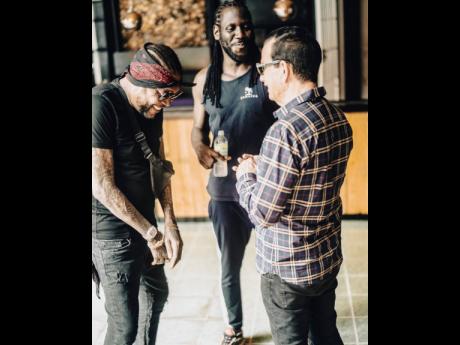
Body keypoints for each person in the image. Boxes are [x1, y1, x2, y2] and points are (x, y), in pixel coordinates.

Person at [233, 26, 354, 345]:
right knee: (326, 335)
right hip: (324, 260)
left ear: (283, 69)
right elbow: (311, 182)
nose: (261, 78)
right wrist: (268, 166)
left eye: (263, 68)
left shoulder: (284, 131)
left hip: (287, 269)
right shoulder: (337, 117)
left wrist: (247, 173)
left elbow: (262, 213)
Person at [191, 1, 278, 343]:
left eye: (245, 26)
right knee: (229, 266)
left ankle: (287, 322)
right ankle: (234, 328)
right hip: (225, 193)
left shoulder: (265, 74)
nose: (240, 34)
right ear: (217, 33)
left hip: (270, 188)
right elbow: (197, 130)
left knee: (276, 265)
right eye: (231, 28)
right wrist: (199, 148)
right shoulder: (204, 80)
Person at [92, 42, 189, 345]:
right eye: (165, 94)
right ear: (143, 83)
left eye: (174, 94)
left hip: (145, 227)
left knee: (156, 294)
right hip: (112, 235)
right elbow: (101, 186)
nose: (168, 103)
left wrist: (169, 222)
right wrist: (153, 235)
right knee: (123, 326)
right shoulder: (102, 104)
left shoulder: (152, 107)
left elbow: (159, 166)